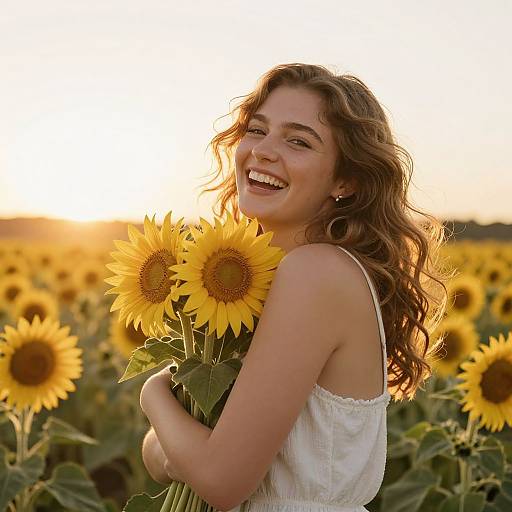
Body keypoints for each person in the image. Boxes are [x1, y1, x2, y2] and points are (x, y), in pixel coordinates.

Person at [139, 63, 451, 511]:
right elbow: (164, 457)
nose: (263, 151)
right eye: (257, 130)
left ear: (347, 181)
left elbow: (218, 479)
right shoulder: (272, 282)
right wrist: (186, 449)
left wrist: (153, 393)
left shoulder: (316, 274)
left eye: (298, 140)